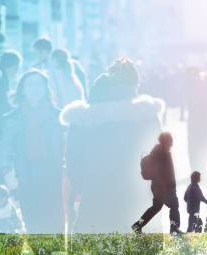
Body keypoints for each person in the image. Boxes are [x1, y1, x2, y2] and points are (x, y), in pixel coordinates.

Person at [61, 59, 165, 233]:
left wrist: (84, 187)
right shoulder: (144, 114)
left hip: (95, 195)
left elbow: (73, 161)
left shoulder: (81, 119)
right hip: (137, 193)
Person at [1, 70, 65, 233]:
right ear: (22, 89)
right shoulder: (11, 118)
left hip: (54, 173)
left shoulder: (59, 116)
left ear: (46, 88)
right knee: (32, 221)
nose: (35, 89)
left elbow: (66, 147)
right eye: (30, 84)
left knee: (55, 219)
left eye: (39, 84)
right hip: (25, 175)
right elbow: (5, 153)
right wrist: (9, 179)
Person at [132, 132, 181, 235]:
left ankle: (138, 225)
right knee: (174, 206)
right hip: (164, 187)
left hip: (158, 187)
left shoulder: (157, 152)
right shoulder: (162, 153)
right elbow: (161, 171)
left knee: (155, 208)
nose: (171, 144)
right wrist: (165, 185)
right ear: (166, 141)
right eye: (170, 141)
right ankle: (174, 229)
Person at [0, 51, 21, 135]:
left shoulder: (1, 76)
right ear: (10, 66)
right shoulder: (1, 79)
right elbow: (1, 104)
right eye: (16, 67)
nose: (17, 71)